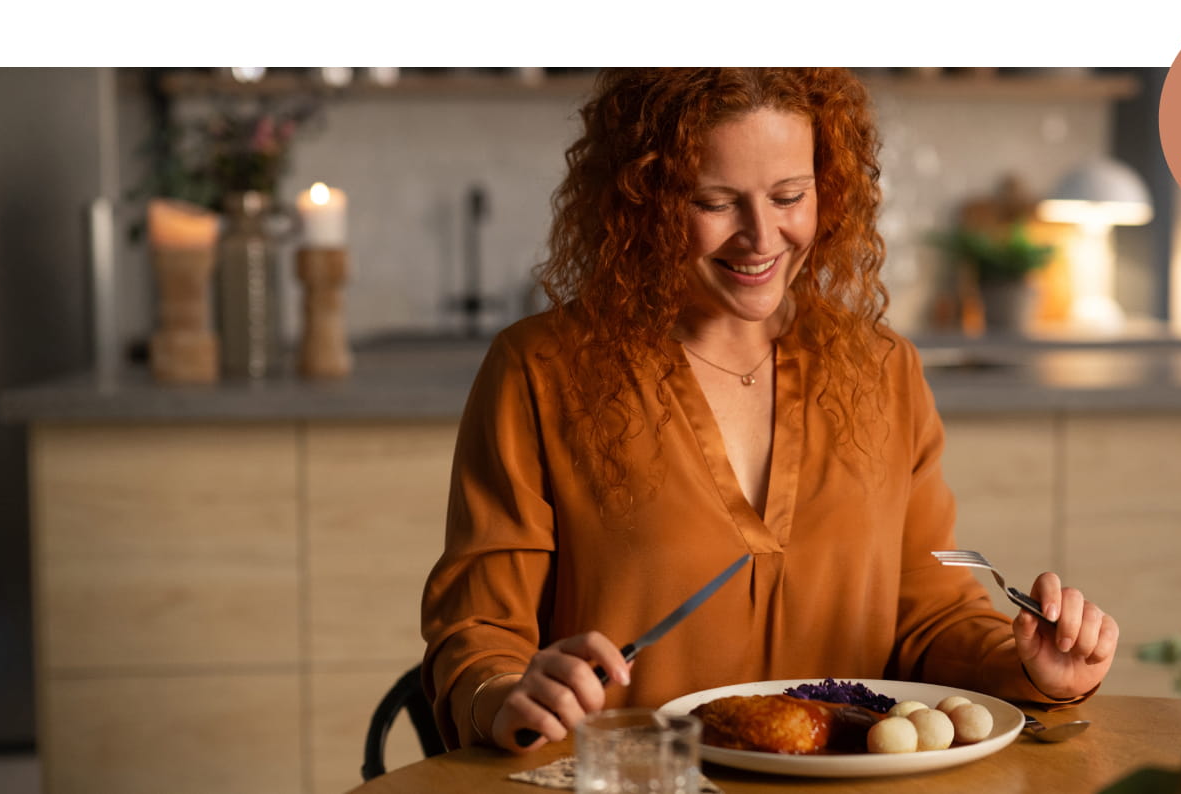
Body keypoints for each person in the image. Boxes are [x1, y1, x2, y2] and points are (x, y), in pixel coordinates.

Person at [420, 67, 1119, 753]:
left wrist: (1027, 665)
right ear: (641, 200)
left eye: (789, 196)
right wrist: (504, 695)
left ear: (828, 188)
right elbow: (480, 636)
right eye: (714, 202)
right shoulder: (541, 371)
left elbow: (929, 617)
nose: (761, 237)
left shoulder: (882, 369)